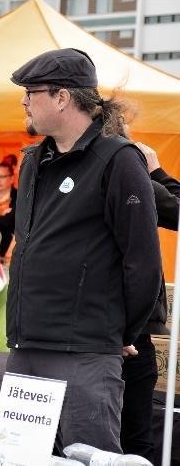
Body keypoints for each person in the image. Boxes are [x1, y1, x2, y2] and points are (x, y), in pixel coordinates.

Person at [6, 48, 161, 454]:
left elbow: (142, 260)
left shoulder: (118, 160)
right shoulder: (32, 161)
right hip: (26, 344)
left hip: (85, 349)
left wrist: (121, 332)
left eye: (31, 91)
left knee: (89, 454)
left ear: (62, 97)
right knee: (19, 456)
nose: (24, 100)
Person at [119, 140, 179, 463]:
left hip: (92, 328)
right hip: (130, 333)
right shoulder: (132, 176)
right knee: (135, 438)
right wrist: (158, 172)